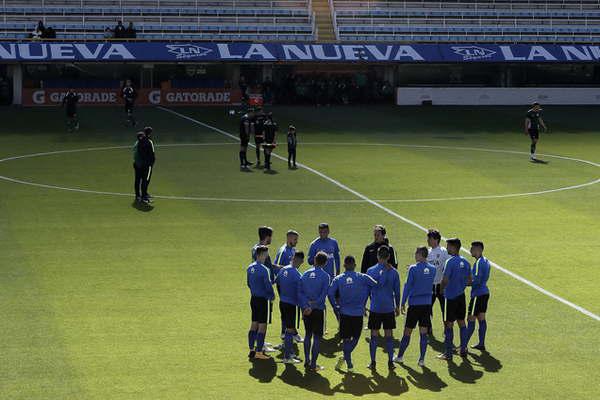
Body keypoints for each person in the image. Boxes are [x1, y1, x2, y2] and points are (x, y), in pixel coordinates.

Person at [328, 255, 380, 372]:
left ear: (344, 266)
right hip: (357, 314)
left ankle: (348, 362)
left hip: (344, 314)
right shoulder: (362, 277)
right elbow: (376, 284)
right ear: (355, 265)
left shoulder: (338, 279)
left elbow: (330, 293)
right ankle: (348, 361)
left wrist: (335, 306)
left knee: (346, 339)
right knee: (355, 339)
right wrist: (366, 295)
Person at [394, 246, 436, 367]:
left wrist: (402, 302)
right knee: (423, 333)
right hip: (427, 305)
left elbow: (407, 286)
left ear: (420, 254)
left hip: (414, 305)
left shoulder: (413, 268)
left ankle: (400, 357)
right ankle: (422, 359)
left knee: (407, 332)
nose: (414, 255)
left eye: (416, 253)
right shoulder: (432, 269)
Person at [366, 245, 400, 370]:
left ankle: (373, 362)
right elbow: (397, 291)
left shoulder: (370, 271)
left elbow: (367, 290)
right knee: (389, 336)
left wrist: (364, 305)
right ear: (389, 256)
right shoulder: (394, 272)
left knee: (374, 336)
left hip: (375, 308)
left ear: (377, 255)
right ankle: (390, 362)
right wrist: (397, 306)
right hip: (388, 308)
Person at [438, 238, 472, 361]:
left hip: (450, 297)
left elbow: (445, 280)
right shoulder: (466, 261)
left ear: (453, 247)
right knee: (462, 322)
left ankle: (448, 353)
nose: (447, 249)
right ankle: (463, 349)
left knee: (448, 324)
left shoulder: (450, 262)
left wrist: (441, 290)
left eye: (448, 246)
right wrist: (460, 284)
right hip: (461, 296)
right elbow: (469, 281)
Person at [299, 251, 330, 372]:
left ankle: (306, 360)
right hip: (318, 310)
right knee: (317, 337)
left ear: (315, 260)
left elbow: (300, 292)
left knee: (307, 334)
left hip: (306, 310)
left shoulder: (305, 274)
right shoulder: (325, 276)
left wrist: (306, 306)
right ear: (325, 263)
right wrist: (313, 305)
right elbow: (323, 296)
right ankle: (313, 364)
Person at [274, 251, 305, 363]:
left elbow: (277, 282)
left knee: (288, 327)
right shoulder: (297, 275)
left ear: (293, 257)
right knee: (290, 329)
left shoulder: (283, 269)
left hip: (282, 302)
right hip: (291, 304)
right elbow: (301, 292)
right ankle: (288, 357)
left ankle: (289, 353)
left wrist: (282, 295)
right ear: (302, 261)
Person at [247, 246, 275, 360]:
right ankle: (259, 352)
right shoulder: (264, 269)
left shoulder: (250, 267)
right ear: (260, 255)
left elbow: (248, 283)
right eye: (266, 254)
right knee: (262, 326)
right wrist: (272, 296)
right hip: (262, 300)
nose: (267, 256)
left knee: (254, 323)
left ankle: (251, 349)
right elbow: (268, 286)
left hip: (253, 299)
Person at [273, 230, 301, 342]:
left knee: (290, 308)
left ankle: (291, 331)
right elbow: (275, 267)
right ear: (289, 238)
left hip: (290, 283)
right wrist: (287, 272)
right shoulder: (283, 251)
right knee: (287, 308)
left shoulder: (293, 250)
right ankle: (286, 332)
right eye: (295, 239)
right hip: (283, 284)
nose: (296, 241)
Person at [466, 241, 491, 351]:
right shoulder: (486, 261)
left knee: (471, 319)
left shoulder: (478, 263)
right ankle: (481, 343)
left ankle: (463, 345)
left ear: (478, 250)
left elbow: (476, 281)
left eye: (472, 249)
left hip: (477, 295)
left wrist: (462, 283)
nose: (470, 250)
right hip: (484, 293)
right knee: (481, 319)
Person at [426, 229, 450, 334]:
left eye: (430, 238)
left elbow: (449, 266)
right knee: (427, 308)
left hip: (442, 285)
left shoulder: (443, 251)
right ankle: (429, 328)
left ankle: (447, 329)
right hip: (430, 286)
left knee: (444, 309)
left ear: (436, 239)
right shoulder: (427, 252)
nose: (428, 240)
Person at [136, 127, 155, 205]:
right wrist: (152, 162)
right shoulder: (149, 141)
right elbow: (151, 153)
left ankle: (141, 195)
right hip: (147, 164)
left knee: (140, 180)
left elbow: (138, 152)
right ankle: (144, 196)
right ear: (150, 133)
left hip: (140, 164)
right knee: (146, 180)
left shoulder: (139, 141)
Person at [132, 131, 145, 202]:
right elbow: (137, 155)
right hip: (139, 165)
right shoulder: (138, 145)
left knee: (140, 180)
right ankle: (138, 195)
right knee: (139, 180)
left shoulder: (138, 143)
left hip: (138, 164)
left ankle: (142, 195)